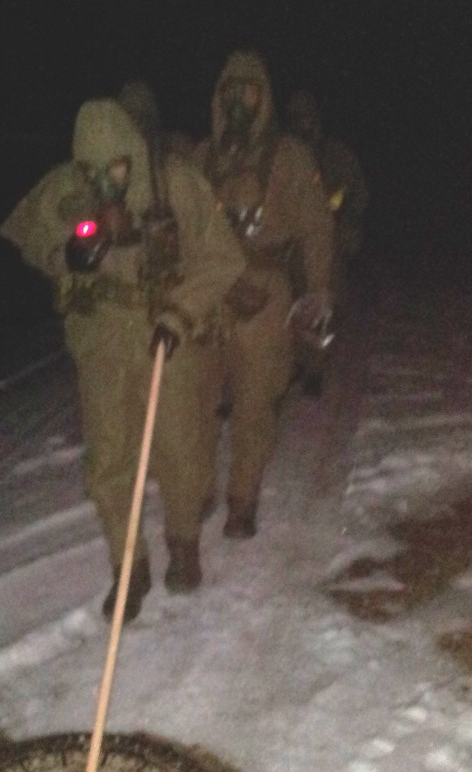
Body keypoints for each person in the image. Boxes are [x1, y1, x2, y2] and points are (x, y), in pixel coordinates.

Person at [0, 98, 244, 622]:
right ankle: (128, 566)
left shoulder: (174, 183)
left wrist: (180, 313)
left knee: (180, 448)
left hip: (167, 331)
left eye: (115, 168)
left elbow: (224, 258)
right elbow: (29, 234)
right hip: (103, 338)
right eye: (93, 171)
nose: (106, 181)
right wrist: (67, 252)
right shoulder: (67, 188)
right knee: (109, 458)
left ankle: (183, 542)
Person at [195, 50, 334, 539]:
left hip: (265, 291)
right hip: (210, 293)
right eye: (230, 91)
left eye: (248, 91)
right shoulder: (202, 158)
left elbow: (316, 229)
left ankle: (243, 498)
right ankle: (197, 486)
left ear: (264, 97)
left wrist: (317, 295)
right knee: (196, 398)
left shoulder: (289, 157)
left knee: (255, 401)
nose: (238, 101)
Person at [286, 88, 369, 309]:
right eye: (296, 117)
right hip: (293, 243)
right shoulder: (285, 158)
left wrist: (347, 227)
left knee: (329, 301)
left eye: (306, 116)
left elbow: (358, 194)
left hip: (332, 239)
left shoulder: (337, 155)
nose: (302, 123)